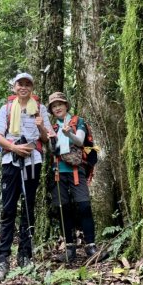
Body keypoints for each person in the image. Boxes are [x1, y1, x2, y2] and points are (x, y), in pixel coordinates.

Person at [0, 72, 54, 283]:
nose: (24, 87)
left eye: (28, 84)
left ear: (32, 88)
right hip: (11, 162)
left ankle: (25, 256)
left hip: (33, 161)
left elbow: (46, 138)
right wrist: (14, 148)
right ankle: (2, 259)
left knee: (28, 207)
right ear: (14, 87)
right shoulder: (6, 108)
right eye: (20, 84)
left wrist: (40, 125)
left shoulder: (40, 109)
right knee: (8, 209)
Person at [48, 91, 98, 263]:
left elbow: (80, 141)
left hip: (77, 170)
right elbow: (52, 150)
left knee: (84, 205)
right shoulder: (53, 128)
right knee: (63, 209)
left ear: (66, 105)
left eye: (60, 104)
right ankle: (70, 249)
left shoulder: (78, 121)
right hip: (58, 171)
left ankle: (91, 246)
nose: (57, 108)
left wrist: (68, 133)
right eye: (54, 106)